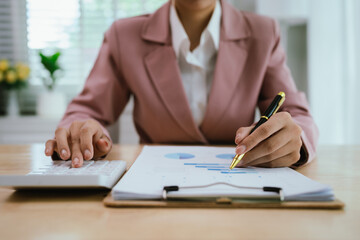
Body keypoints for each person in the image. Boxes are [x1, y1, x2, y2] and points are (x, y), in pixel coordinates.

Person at [45, 0, 318, 169]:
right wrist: (80, 129)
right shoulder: (124, 35)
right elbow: (86, 111)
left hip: (240, 189)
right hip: (152, 191)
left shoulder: (263, 32)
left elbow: (297, 116)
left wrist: (297, 140)